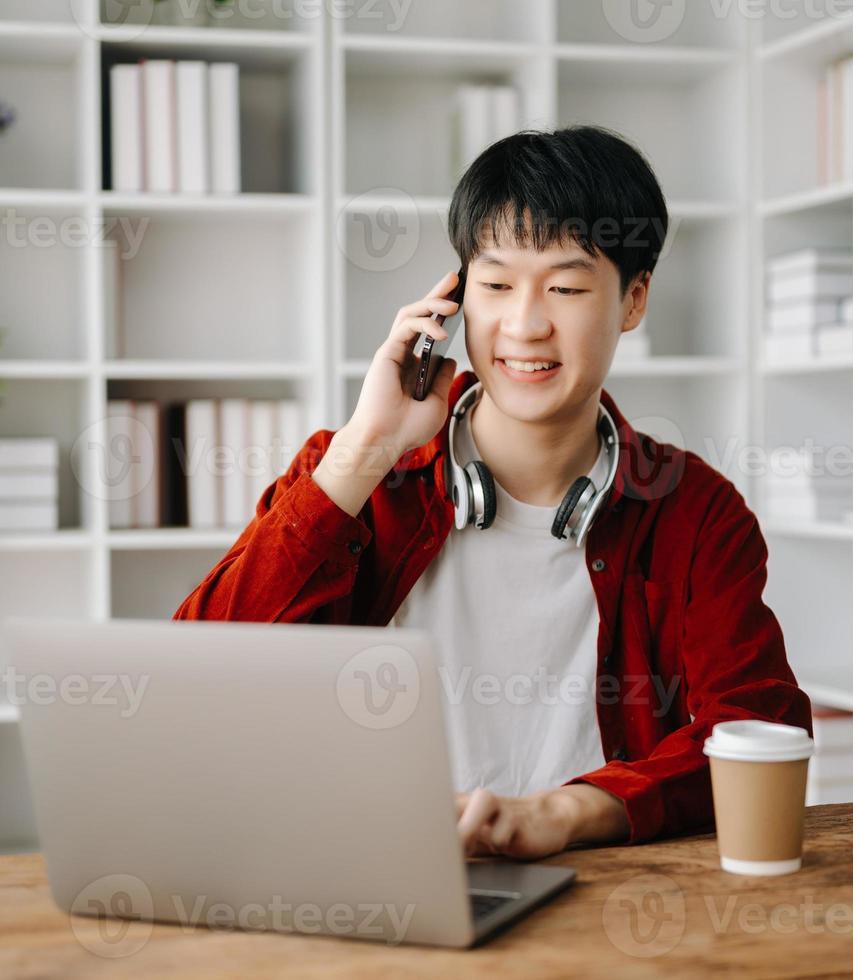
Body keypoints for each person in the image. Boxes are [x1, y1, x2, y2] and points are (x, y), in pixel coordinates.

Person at [174, 125, 811, 860]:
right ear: (453, 300)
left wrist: (564, 814)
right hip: (362, 878)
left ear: (634, 300)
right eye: (497, 284)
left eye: (568, 288)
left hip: (597, 892)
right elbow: (201, 676)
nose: (525, 324)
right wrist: (368, 447)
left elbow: (755, 730)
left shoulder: (695, 512)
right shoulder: (355, 476)